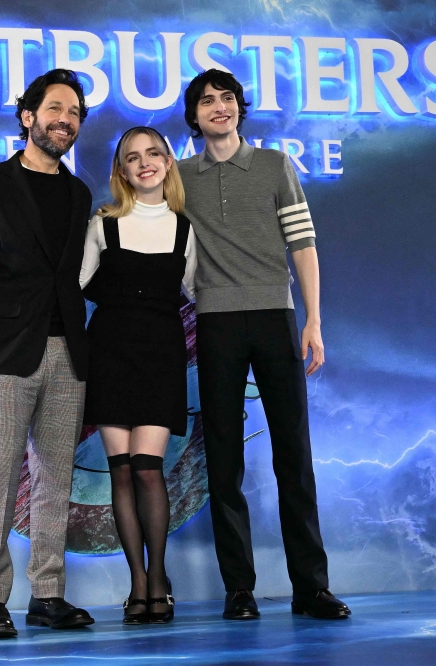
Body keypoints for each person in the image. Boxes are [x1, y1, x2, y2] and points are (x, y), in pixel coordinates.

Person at [177, 68, 351, 620]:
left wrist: (314, 320)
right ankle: (239, 589)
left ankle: (312, 588)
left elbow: (303, 244)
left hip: (277, 316)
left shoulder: (276, 166)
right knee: (223, 461)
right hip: (215, 322)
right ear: (195, 115)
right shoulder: (179, 177)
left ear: (239, 108)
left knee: (293, 456)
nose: (218, 108)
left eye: (226, 99)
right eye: (207, 101)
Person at [0, 69, 96, 639]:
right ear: (28, 116)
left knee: (57, 479)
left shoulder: (79, 195)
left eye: (75, 112)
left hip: (68, 354)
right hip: (4, 354)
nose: (66, 119)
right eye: (55, 108)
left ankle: (48, 594)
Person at [80, 126, 194, 624]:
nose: (143, 162)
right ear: (121, 172)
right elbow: (74, 285)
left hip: (161, 360)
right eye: (132, 157)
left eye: (152, 153)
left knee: (149, 468)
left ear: (168, 162)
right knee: (122, 469)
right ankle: (138, 584)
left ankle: (161, 577)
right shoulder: (102, 225)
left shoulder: (186, 230)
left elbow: (201, 294)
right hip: (110, 357)